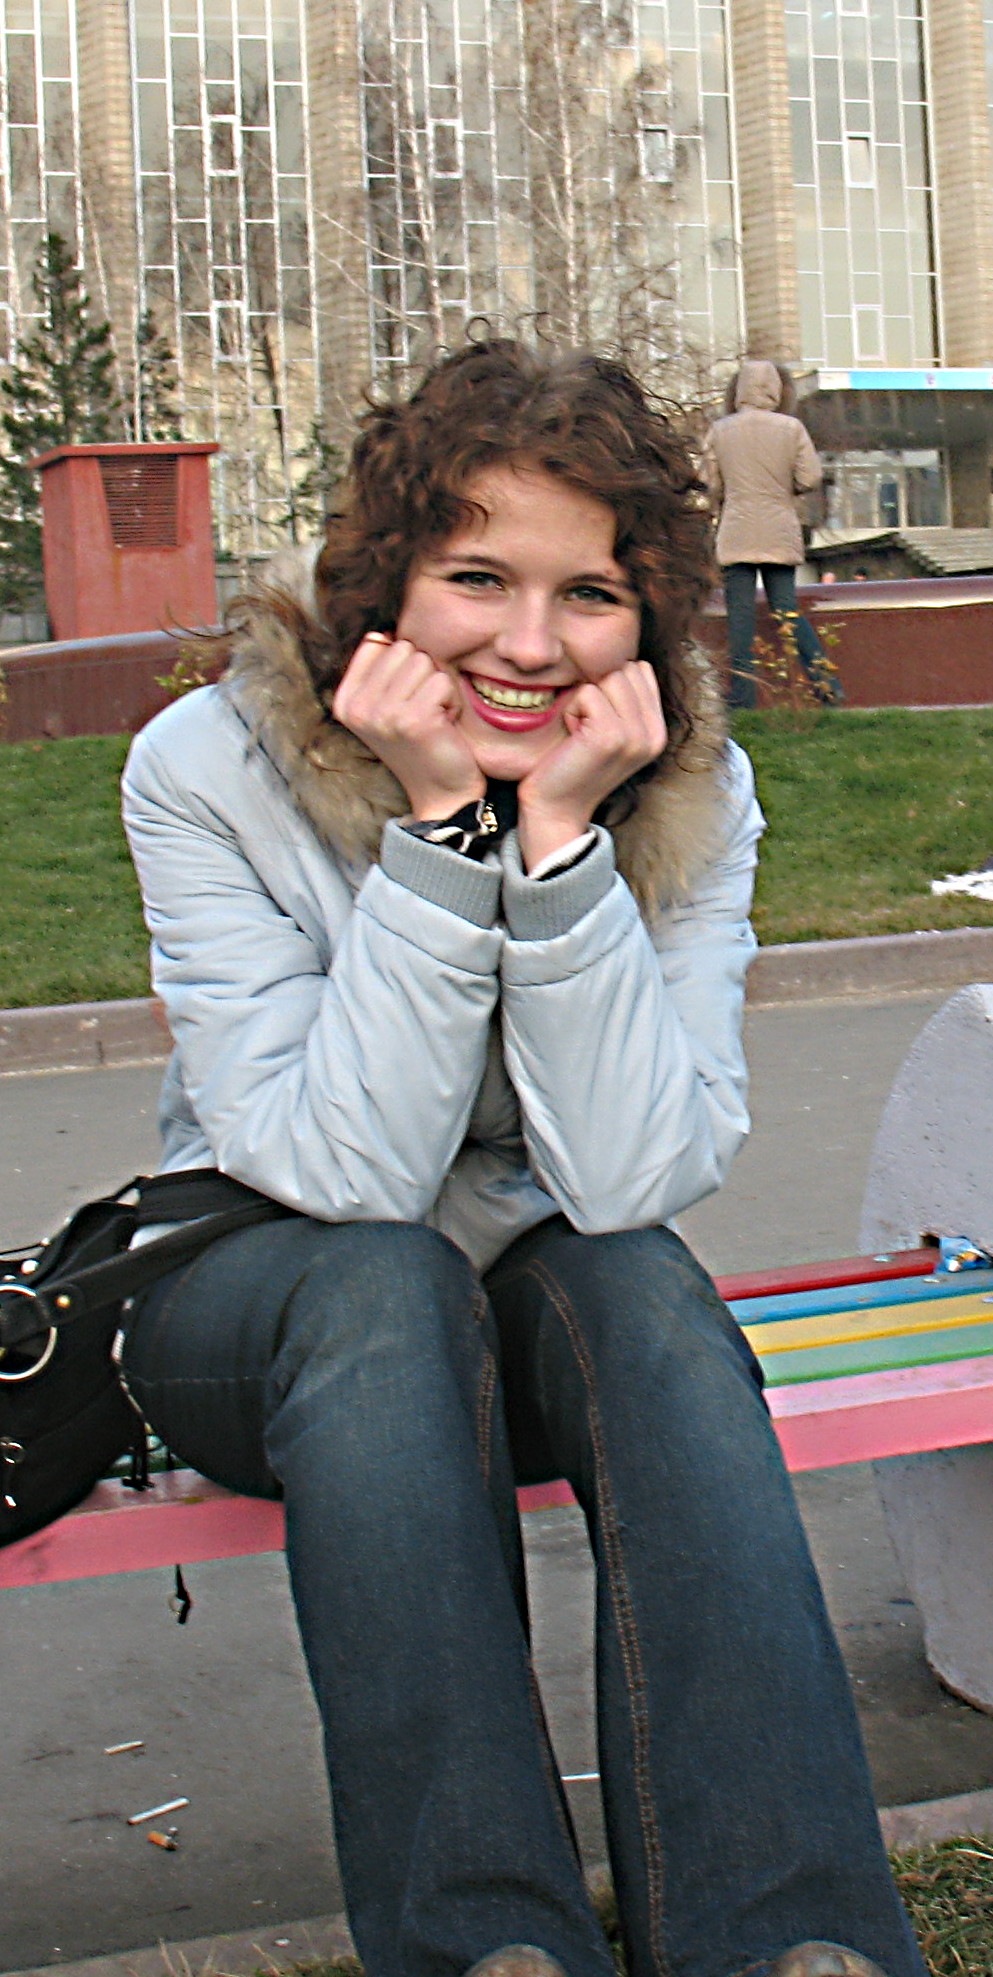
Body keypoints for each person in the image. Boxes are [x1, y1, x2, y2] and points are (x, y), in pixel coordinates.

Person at [119, 338, 923, 1977]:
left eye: (589, 595)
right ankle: (483, 1944)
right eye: (476, 578)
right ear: (385, 584)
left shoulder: (688, 787)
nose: (531, 645)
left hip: (532, 1283)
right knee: (377, 1283)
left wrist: (555, 856)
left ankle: (783, 1932)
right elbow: (343, 1171)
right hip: (254, 1297)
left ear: (649, 616)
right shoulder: (206, 767)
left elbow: (630, 1177)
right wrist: (437, 840)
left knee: (646, 1297)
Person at [704, 362, 840, 709]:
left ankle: (743, 697)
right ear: (775, 390)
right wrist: (784, 488)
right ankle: (827, 686)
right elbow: (810, 476)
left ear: (739, 389)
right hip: (779, 529)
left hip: (737, 530)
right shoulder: (791, 428)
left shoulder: (720, 430)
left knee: (740, 618)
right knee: (787, 611)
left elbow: (709, 482)